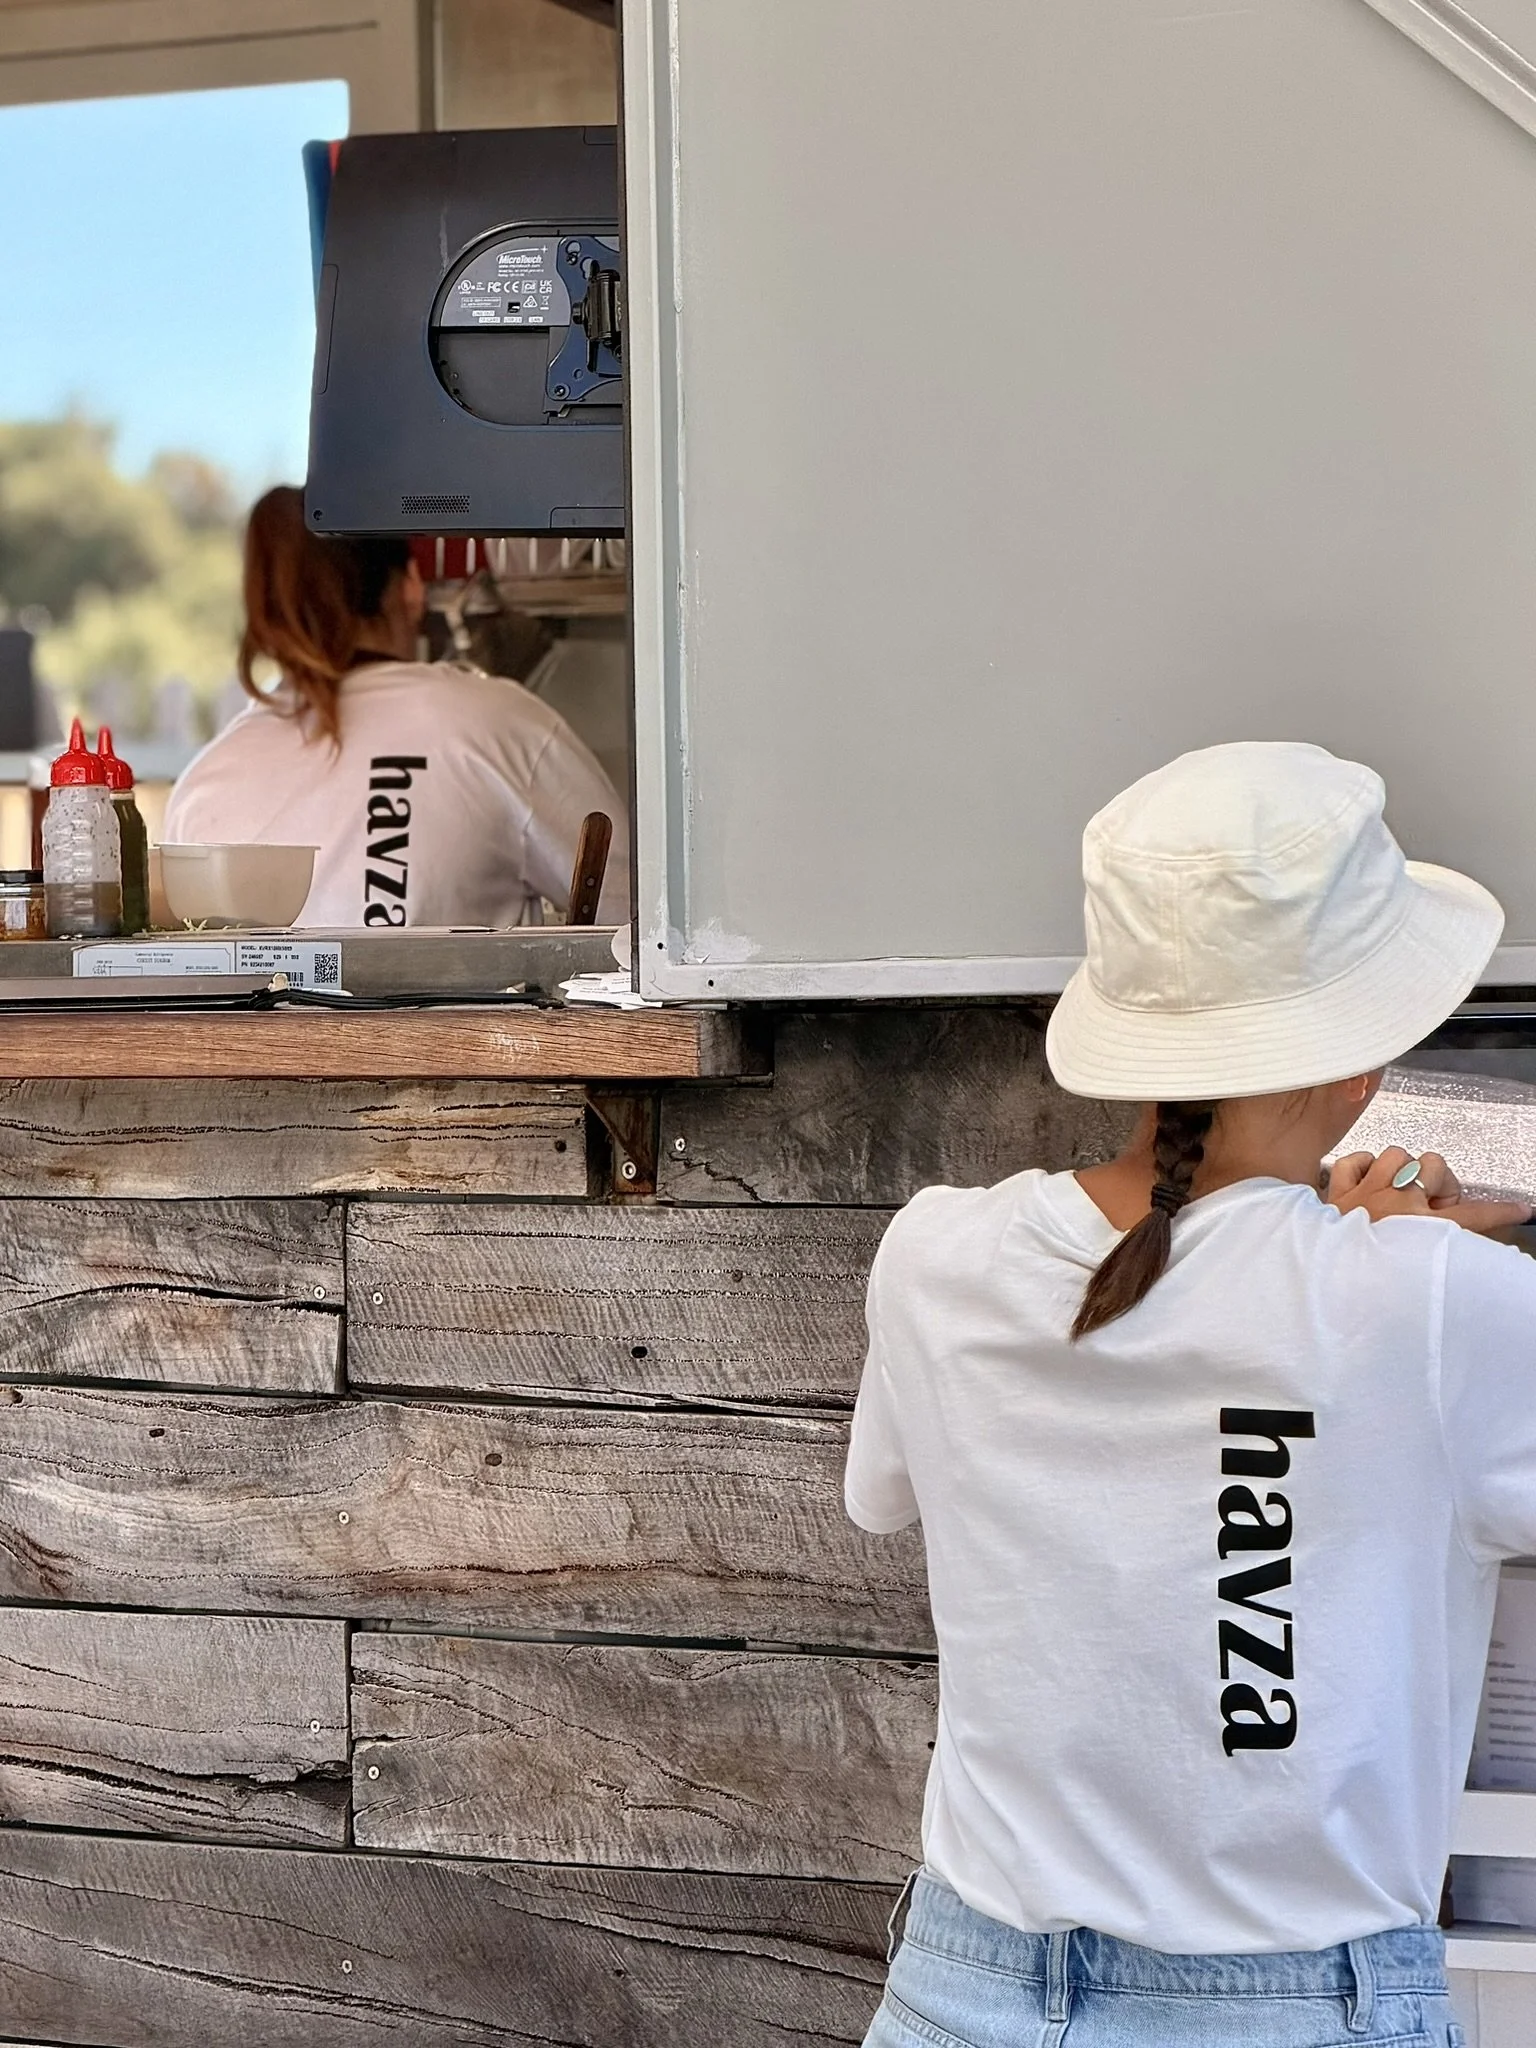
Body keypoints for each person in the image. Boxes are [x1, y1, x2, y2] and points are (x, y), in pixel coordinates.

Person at [849, 740, 1533, 2047]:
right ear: (1364, 1056)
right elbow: (1309, 1330)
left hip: (962, 1993)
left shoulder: (932, 1257)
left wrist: (1355, 1253)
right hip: (1292, 2012)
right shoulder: (1422, 1303)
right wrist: (1428, 1250)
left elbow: (890, 1495)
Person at [164, 486, 629, 928]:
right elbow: (636, 917)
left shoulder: (203, 785)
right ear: (411, 587)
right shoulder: (495, 724)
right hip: (476, 1017)